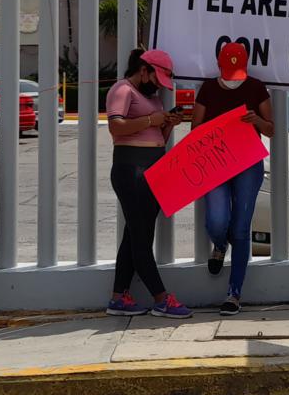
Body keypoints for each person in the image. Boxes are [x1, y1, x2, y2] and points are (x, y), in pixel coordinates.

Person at [106, 47, 192, 318]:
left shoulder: (150, 97)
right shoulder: (123, 90)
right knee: (141, 238)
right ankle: (162, 298)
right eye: (156, 79)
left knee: (134, 236)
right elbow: (116, 127)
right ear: (144, 70)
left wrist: (167, 124)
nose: (158, 86)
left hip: (153, 170)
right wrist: (149, 120)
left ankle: (118, 298)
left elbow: (157, 138)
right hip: (131, 169)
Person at [193, 42, 273, 316]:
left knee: (241, 227)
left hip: (247, 163)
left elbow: (271, 128)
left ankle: (234, 292)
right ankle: (219, 244)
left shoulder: (255, 87)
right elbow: (195, 128)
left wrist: (256, 122)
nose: (231, 76)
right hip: (215, 163)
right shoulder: (208, 88)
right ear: (219, 66)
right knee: (217, 220)